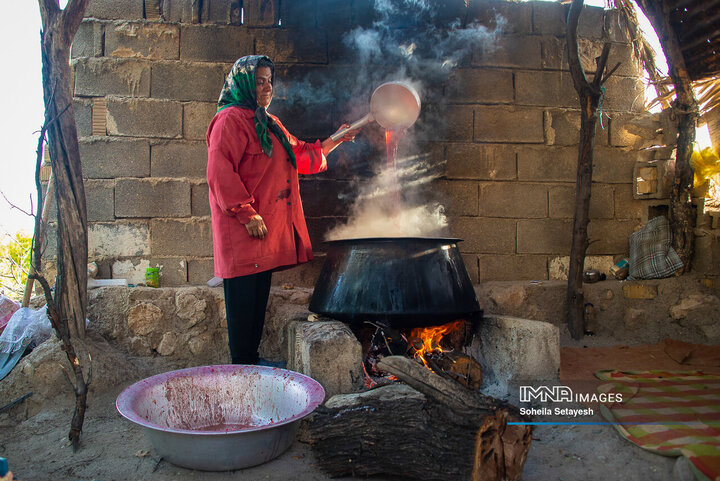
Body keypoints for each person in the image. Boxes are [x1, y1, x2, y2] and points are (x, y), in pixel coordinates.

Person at [206, 55, 358, 365]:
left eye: (269, 81)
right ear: (244, 83)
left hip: (264, 230)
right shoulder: (229, 120)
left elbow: (300, 154)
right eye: (259, 81)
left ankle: (250, 363)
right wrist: (246, 213)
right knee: (242, 299)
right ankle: (242, 366)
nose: (266, 87)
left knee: (257, 297)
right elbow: (219, 171)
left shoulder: (268, 122)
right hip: (243, 228)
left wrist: (335, 141)